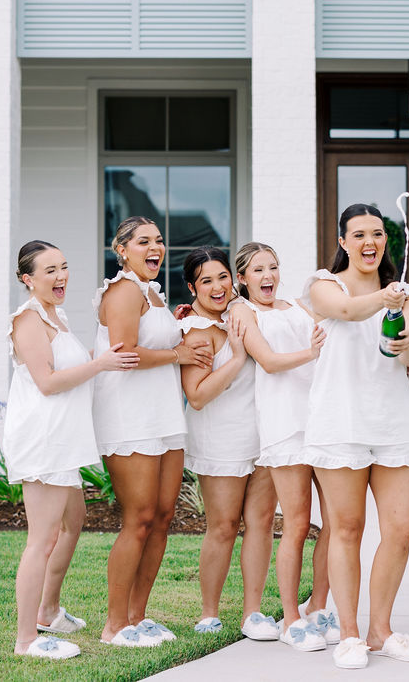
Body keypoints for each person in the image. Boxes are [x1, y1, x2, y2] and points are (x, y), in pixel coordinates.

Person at [303, 203, 409, 670]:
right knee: (347, 529)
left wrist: (406, 343)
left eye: (377, 234)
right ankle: (349, 633)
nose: (369, 242)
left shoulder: (405, 297)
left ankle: (381, 629)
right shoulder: (325, 284)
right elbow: (345, 312)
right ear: (343, 242)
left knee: (399, 530)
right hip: (340, 423)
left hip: (394, 422)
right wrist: (386, 299)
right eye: (358, 235)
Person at [5, 240, 139, 659]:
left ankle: (48, 610)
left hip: (64, 438)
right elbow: (47, 382)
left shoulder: (55, 316)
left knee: (75, 519)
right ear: (28, 279)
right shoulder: (27, 320)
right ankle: (26, 639)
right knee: (41, 540)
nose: (61, 276)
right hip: (43, 440)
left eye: (63, 266)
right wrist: (100, 364)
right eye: (49, 270)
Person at [93, 216, 210, 647]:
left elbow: (159, 340)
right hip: (130, 416)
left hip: (164, 416)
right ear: (120, 249)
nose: (154, 247)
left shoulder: (153, 293)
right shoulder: (122, 290)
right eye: (143, 241)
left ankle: (137, 617)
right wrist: (179, 353)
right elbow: (123, 353)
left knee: (162, 518)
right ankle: (113, 625)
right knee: (138, 518)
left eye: (159, 240)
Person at [231, 242, 336, 651]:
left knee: (336, 523)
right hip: (284, 425)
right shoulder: (243, 311)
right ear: (243, 278)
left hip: (322, 423)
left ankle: (319, 606)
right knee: (296, 522)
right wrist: (311, 352)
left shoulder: (296, 304)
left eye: (272, 267)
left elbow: (332, 336)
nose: (267, 276)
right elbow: (269, 361)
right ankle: (291, 617)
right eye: (257, 270)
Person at [178, 246, 281, 644]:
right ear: (192, 287)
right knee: (221, 527)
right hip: (220, 437)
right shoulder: (196, 332)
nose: (217, 287)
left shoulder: (244, 313)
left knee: (260, 524)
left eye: (222, 277)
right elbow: (198, 395)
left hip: (263, 432)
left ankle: (253, 612)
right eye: (206, 281)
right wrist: (236, 359)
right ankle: (209, 613)